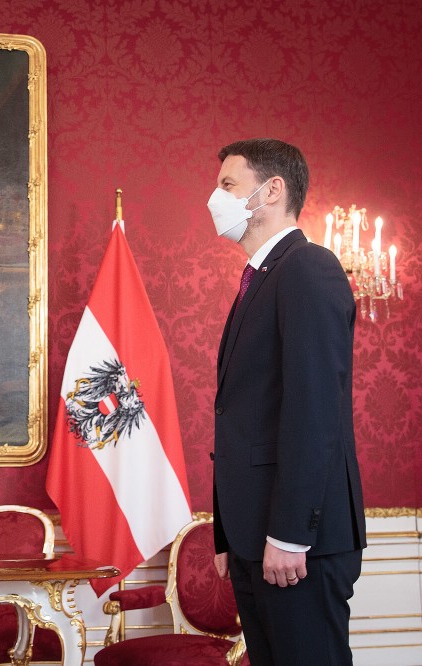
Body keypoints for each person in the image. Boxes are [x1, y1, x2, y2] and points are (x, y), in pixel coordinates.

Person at [207, 138, 366, 665]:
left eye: (228, 185)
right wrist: (232, 533)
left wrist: (291, 535)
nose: (216, 198)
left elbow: (313, 411)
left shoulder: (308, 267)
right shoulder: (263, 277)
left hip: (298, 542)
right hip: (258, 536)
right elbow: (245, 413)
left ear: (272, 190)